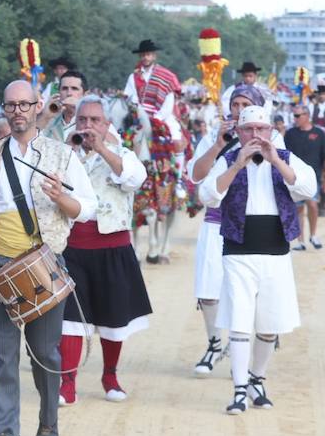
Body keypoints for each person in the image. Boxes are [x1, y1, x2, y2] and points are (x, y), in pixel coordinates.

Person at [0, 79, 95, 436]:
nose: (18, 111)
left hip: (44, 261)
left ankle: (49, 420)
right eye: (11, 105)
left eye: (25, 104)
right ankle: (7, 435)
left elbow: (88, 207)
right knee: (2, 355)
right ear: (4, 109)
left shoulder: (61, 155)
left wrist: (62, 198)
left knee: (44, 351)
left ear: (38, 106)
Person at [199, 106, 317, 414]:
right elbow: (208, 195)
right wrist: (237, 165)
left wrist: (276, 159)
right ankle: (239, 388)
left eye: (260, 130)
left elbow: (307, 187)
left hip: (276, 250)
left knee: (269, 322)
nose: (255, 135)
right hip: (238, 248)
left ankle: (257, 379)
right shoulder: (229, 159)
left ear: (270, 131)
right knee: (240, 320)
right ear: (238, 132)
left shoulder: (285, 158)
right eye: (248, 129)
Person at [58, 96, 151, 405]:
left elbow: (135, 179)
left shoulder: (123, 154)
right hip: (73, 246)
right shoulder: (64, 154)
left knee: (113, 317)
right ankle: (66, 382)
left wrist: (101, 148)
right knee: (70, 318)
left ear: (106, 124)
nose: (88, 126)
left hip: (113, 246)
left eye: (95, 120)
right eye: (83, 120)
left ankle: (109, 375)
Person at [187, 84, 274, 375]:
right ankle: (213, 344)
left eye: (245, 103)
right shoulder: (215, 136)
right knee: (208, 289)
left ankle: (251, 359)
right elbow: (197, 176)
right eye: (235, 103)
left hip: (256, 228)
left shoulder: (271, 138)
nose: (238, 109)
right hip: (216, 222)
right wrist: (217, 144)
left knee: (254, 295)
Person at [124, 40, 185, 264]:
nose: (146, 56)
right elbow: (129, 97)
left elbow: (169, 101)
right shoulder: (134, 77)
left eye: (149, 53)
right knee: (124, 140)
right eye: (144, 54)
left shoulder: (166, 76)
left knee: (177, 136)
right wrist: (137, 111)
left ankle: (178, 179)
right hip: (140, 118)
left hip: (161, 118)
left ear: (154, 55)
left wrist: (157, 119)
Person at [283, 104, 325, 249]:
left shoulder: (319, 134)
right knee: (298, 209)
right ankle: (301, 241)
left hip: (314, 177)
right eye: (294, 116)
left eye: (298, 116)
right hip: (295, 178)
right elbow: (284, 155)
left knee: (312, 204)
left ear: (307, 116)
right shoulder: (291, 134)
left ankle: (313, 235)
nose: (295, 119)